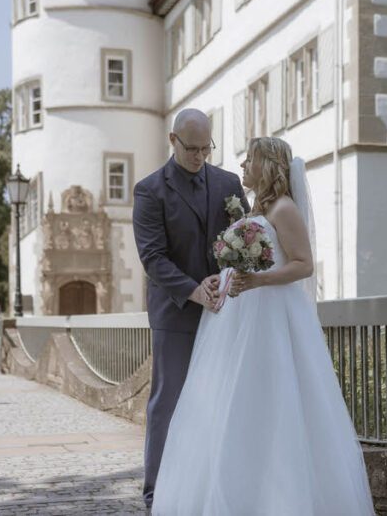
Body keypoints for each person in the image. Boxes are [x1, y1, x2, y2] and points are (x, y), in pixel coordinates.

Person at [151, 136, 374, 515]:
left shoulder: (284, 209)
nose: (242, 166)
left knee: (272, 401)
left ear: (267, 164)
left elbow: (304, 264)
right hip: (240, 319)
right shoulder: (260, 208)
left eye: (249, 159)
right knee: (233, 402)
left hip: (272, 318)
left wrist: (257, 281)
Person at [132, 108, 248, 509]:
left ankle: (211, 490)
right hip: (175, 312)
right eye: (192, 148)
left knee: (223, 399)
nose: (200, 156)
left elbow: (245, 239)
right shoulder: (149, 191)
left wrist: (227, 281)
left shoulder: (230, 183)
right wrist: (194, 290)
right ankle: (157, 493)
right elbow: (153, 258)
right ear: (172, 140)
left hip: (224, 311)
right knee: (168, 402)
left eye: (206, 148)